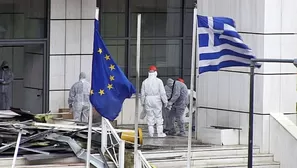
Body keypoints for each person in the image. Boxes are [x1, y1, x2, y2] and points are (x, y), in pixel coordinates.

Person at [141, 65, 168, 137]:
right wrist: (165, 101)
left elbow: (142, 94)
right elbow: (162, 93)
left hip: (148, 99)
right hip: (156, 99)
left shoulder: (145, 82)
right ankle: (160, 133)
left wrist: (143, 102)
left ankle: (151, 133)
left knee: (150, 116)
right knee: (158, 116)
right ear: (155, 72)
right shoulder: (159, 81)